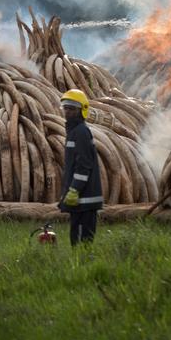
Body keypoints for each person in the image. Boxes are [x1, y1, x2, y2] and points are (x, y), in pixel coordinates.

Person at [58, 89, 102, 245]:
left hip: (85, 198)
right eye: (66, 108)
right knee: (75, 238)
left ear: (82, 110)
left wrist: (74, 189)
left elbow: (84, 165)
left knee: (83, 242)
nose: (67, 112)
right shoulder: (74, 132)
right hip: (79, 199)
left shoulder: (81, 132)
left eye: (72, 109)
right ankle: (78, 260)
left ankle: (84, 261)